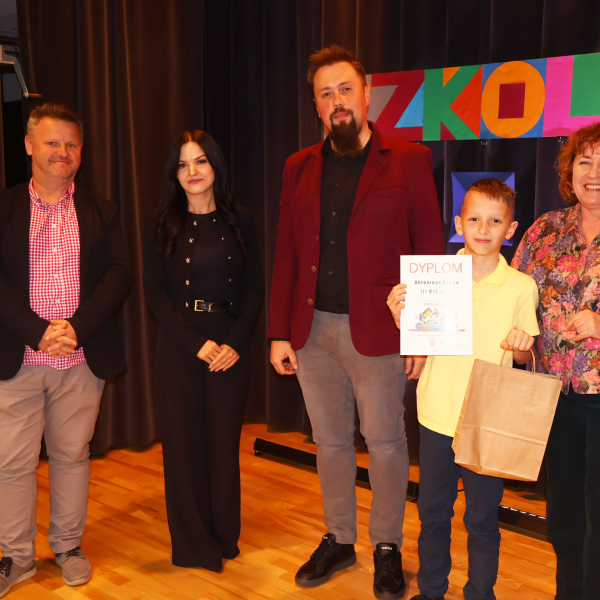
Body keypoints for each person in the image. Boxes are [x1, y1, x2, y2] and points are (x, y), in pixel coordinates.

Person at [268, 45, 444, 599]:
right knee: (330, 442)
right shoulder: (298, 166)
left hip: (381, 332)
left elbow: (429, 248)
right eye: (326, 94)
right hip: (311, 331)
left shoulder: (410, 159)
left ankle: (387, 545)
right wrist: (278, 331)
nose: (337, 101)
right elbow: (287, 253)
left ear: (367, 94)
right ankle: (340, 537)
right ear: (316, 106)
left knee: (387, 443)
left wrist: (424, 335)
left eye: (346, 89)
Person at [0, 103, 131, 597]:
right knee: (11, 464)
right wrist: (37, 332)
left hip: (80, 359)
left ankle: (68, 546)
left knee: (72, 456)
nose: (63, 151)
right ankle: (16, 556)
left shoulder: (102, 211)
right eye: (52, 142)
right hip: (18, 359)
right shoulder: (3, 207)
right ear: (29, 145)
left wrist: (75, 329)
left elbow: (119, 273)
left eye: (72, 144)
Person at [388, 178, 539, 600]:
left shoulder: (521, 287)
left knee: (482, 518)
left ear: (511, 229)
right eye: (474, 219)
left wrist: (523, 344)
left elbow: (524, 358)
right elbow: (419, 339)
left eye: (495, 221)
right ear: (458, 223)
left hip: (486, 422)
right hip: (436, 413)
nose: (483, 229)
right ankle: (431, 590)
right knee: (433, 513)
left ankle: (480, 593)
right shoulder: (435, 278)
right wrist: (402, 318)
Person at [144, 130, 263, 573]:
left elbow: (255, 287)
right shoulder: (163, 222)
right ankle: (193, 544)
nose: (192, 171)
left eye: (200, 161)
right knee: (183, 447)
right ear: (174, 174)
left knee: (222, 445)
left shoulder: (241, 218)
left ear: (215, 166)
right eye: (182, 164)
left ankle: (224, 536)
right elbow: (155, 293)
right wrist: (197, 344)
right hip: (181, 348)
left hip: (229, 347)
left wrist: (235, 342)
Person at [511, 122, 600, 600]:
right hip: (554, 399)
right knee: (565, 515)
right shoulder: (544, 230)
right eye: (584, 162)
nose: (593, 173)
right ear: (569, 171)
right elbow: (508, 296)